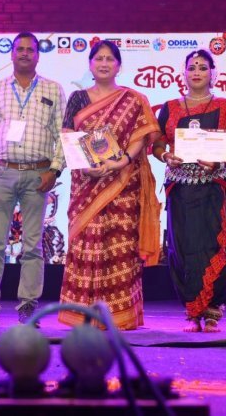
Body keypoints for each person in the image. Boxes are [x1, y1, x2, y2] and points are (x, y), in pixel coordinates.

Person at [58, 40, 161, 330]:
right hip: (85, 184)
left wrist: (120, 161)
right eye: (98, 59)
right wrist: (87, 166)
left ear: (118, 65)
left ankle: (120, 316)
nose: (104, 63)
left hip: (122, 183)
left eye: (110, 59)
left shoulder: (133, 99)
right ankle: (83, 315)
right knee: (86, 245)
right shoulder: (78, 98)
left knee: (119, 248)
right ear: (90, 64)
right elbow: (69, 136)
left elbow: (141, 135)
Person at [0, 32, 66, 328]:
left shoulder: (53, 88)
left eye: (30, 49)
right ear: (12, 55)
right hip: (1, 172)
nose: (25, 53)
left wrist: (55, 169)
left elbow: (62, 134)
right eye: (19, 49)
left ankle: (28, 307)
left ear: (38, 55)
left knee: (32, 245)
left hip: (38, 174)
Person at [153, 49, 226, 332]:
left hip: (214, 187)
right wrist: (165, 156)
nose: (197, 72)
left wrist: (222, 160)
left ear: (213, 73)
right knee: (183, 248)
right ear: (183, 73)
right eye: (192, 67)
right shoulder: (169, 108)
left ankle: (214, 310)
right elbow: (156, 144)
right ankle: (192, 310)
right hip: (180, 189)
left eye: (203, 67)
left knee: (216, 245)